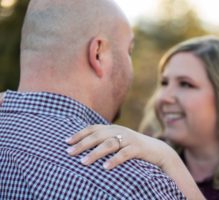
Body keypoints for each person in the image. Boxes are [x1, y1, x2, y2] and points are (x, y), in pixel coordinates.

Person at [0, 0, 199, 199]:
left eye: (186, 84)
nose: (166, 97)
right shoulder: (135, 184)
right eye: (129, 51)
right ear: (97, 53)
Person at [64, 36, 219, 200]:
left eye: (186, 84)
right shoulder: (142, 167)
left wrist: (170, 161)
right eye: (164, 83)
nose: (164, 97)